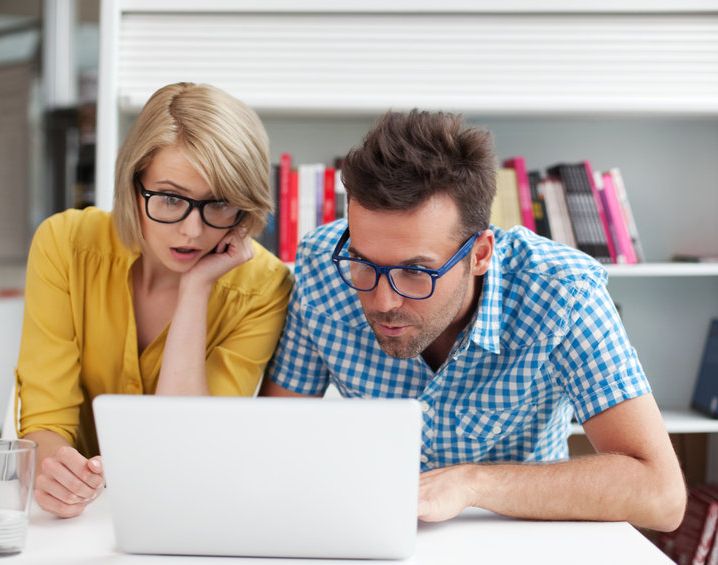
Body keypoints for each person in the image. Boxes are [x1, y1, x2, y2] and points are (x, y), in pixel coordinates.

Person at [261, 109, 686, 532]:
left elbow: (662, 496)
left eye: (415, 271)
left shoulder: (563, 292)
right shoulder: (320, 267)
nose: (383, 300)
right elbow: (272, 441)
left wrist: (472, 482)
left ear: (480, 254)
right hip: (371, 529)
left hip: (521, 536)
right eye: (363, 262)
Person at [16, 82, 292, 518]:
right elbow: (45, 420)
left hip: (189, 512)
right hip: (84, 519)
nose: (192, 232)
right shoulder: (65, 244)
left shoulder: (264, 286)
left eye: (219, 204)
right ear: (133, 184)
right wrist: (53, 474)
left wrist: (196, 289)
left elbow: (189, 446)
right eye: (168, 198)